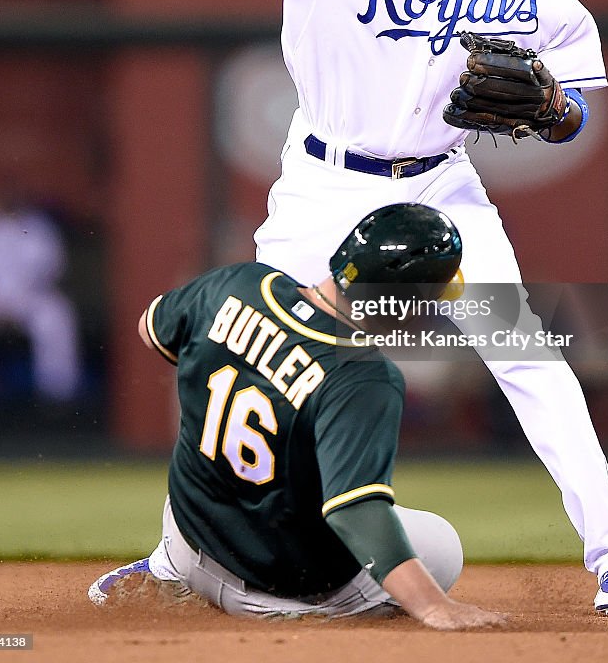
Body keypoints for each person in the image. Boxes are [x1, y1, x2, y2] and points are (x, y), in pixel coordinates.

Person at [34, 0, 608, 613]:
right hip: (324, 179)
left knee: (529, 358)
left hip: (442, 193)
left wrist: (553, 109)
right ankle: (177, 559)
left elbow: (580, 107)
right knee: (242, 346)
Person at [88, 203, 506, 629]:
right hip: (279, 587)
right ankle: (299, 612)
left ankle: (169, 571)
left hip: (188, 538)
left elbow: (150, 328)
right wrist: (435, 608)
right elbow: (355, 511)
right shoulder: (363, 376)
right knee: (441, 545)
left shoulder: (239, 282)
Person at [0, 179, 81, 402]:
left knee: (56, 315)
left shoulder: (39, 228)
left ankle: (57, 395)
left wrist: (27, 294)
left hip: (28, 298)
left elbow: (52, 272)